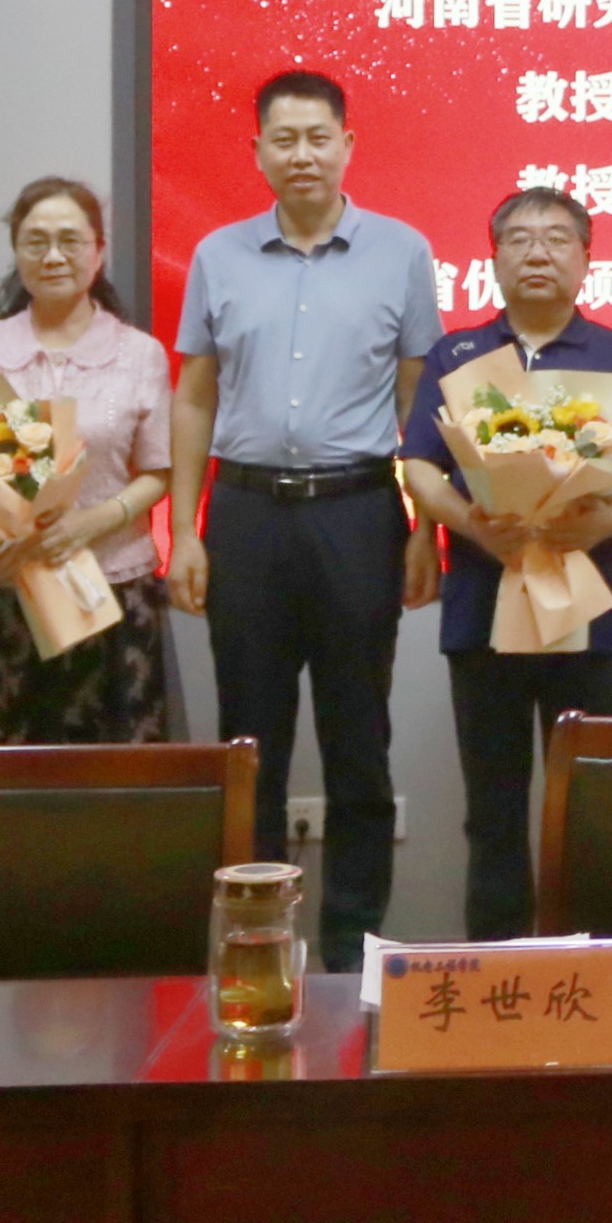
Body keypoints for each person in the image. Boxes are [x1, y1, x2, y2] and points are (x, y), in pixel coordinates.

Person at [169, 71, 440, 970]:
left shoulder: (401, 251)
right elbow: (195, 396)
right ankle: (259, 947)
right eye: (283, 140)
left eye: (318, 137)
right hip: (246, 514)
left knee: (360, 742)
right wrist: (186, 530)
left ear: (347, 144)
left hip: (358, 513)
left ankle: (351, 955)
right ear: (257, 153)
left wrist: (424, 529)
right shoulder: (218, 255)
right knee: (251, 745)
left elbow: (418, 401)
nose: (302, 155)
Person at [399, 187, 612, 940]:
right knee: (493, 810)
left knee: (590, 805)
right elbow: (419, 464)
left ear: (585, 259)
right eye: (519, 239)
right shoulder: (458, 354)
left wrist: (597, 525)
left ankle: (592, 963)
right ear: (494, 260)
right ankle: (499, 967)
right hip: (481, 607)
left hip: (589, 610)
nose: (537, 253)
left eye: (556, 239)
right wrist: (476, 527)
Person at [0, 178, 175, 746]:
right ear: (17, 251)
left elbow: (159, 471)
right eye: (35, 241)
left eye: (69, 240)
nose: (53, 256)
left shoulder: (140, 354)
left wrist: (93, 521)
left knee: (109, 774)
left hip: (109, 591)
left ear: (98, 251)